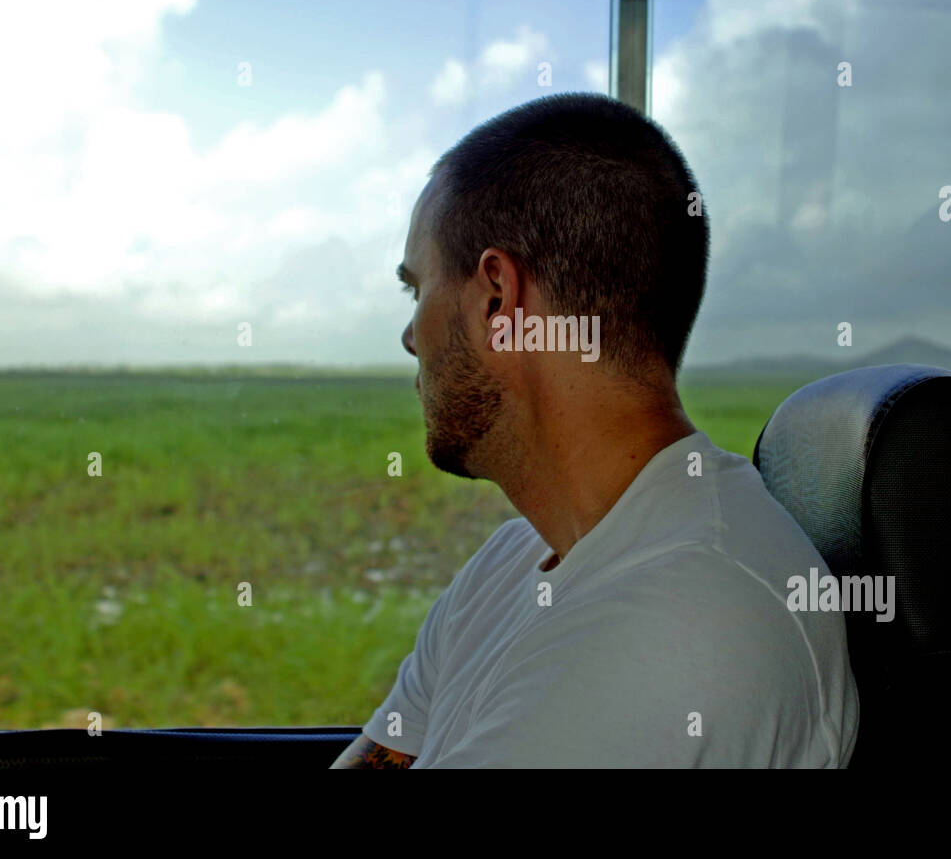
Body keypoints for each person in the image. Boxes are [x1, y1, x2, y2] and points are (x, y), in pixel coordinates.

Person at [331, 92, 858, 768]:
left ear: (498, 297)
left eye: (418, 289)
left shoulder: (677, 622)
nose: (411, 337)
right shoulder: (516, 557)